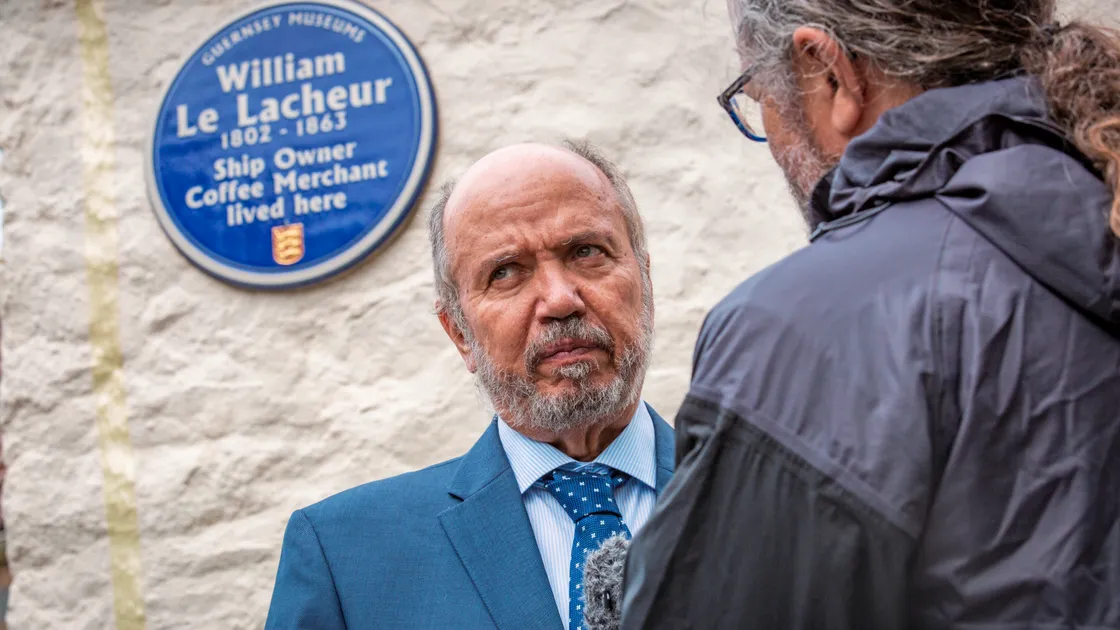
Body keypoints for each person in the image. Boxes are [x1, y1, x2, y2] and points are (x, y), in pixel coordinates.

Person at [622, 1, 1120, 628]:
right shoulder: (1093, 218)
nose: (771, 135)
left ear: (827, 73)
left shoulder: (810, 327)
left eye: (758, 95)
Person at [264, 141, 674, 630]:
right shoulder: (343, 557)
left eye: (586, 252)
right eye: (505, 272)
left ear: (645, 284)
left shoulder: (757, 496)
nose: (560, 300)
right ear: (459, 332)